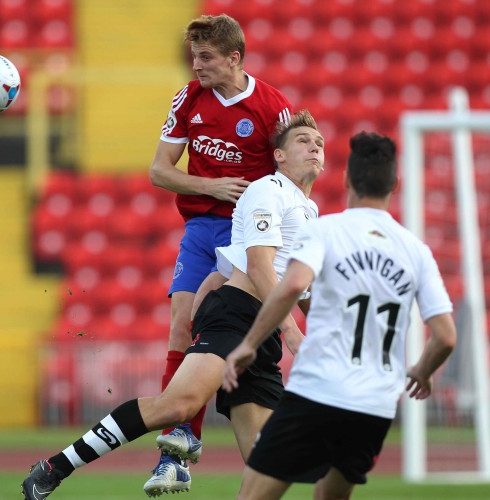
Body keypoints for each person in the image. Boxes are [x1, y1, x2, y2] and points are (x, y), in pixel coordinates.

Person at [21, 110, 324, 500]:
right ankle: (54, 468)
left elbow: (300, 288)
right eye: (302, 141)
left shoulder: (311, 213)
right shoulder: (268, 189)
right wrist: (294, 332)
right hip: (239, 314)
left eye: (318, 143)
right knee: (177, 406)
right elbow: (260, 265)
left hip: (261, 331)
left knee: (268, 466)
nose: (314, 147)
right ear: (279, 156)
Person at [222, 131, 458, 500]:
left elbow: (289, 286)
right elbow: (445, 336)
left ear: (347, 180)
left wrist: (250, 343)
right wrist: (422, 372)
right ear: (395, 184)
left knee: (253, 496)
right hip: (375, 404)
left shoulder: (325, 230)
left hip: (318, 390)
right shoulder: (416, 251)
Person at [146, 12, 293, 492]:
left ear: (234, 58)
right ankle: (178, 443)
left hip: (248, 234)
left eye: (206, 58)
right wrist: (211, 184)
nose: (197, 66)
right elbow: (159, 171)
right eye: (194, 56)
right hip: (201, 227)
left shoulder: (273, 108)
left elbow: (291, 177)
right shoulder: (189, 99)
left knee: (232, 332)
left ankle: (284, 428)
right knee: (181, 320)